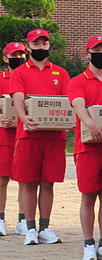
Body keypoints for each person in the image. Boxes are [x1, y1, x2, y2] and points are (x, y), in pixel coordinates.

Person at [10, 28, 70, 246]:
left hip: (54, 136)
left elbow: (67, 101)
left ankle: (45, 227)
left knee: (48, 182)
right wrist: (23, 118)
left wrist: (69, 121)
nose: (41, 48)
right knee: (28, 182)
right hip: (28, 134)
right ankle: (30, 228)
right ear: (28, 47)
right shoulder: (20, 72)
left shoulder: (60, 73)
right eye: (36, 44)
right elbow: (17, 98)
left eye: (44, 44)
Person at [68, 34, 102, 260]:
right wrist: (90, 122)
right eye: (96, 50)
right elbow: (78, 103)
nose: (101, 54)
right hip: (87, 147)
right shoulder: (78, 81)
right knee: (88, 195)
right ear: (87, 54)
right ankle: (88, 244)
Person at [0, 42, 26, 236]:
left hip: (25, 134)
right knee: (2, 179)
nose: (18, 58)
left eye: (21, 55)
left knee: (25, 180)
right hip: (4, 136)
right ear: (5, 58)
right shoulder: (1, 78)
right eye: (14, 55)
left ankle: (23, 219)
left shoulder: (28, 76)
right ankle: (0, 218)